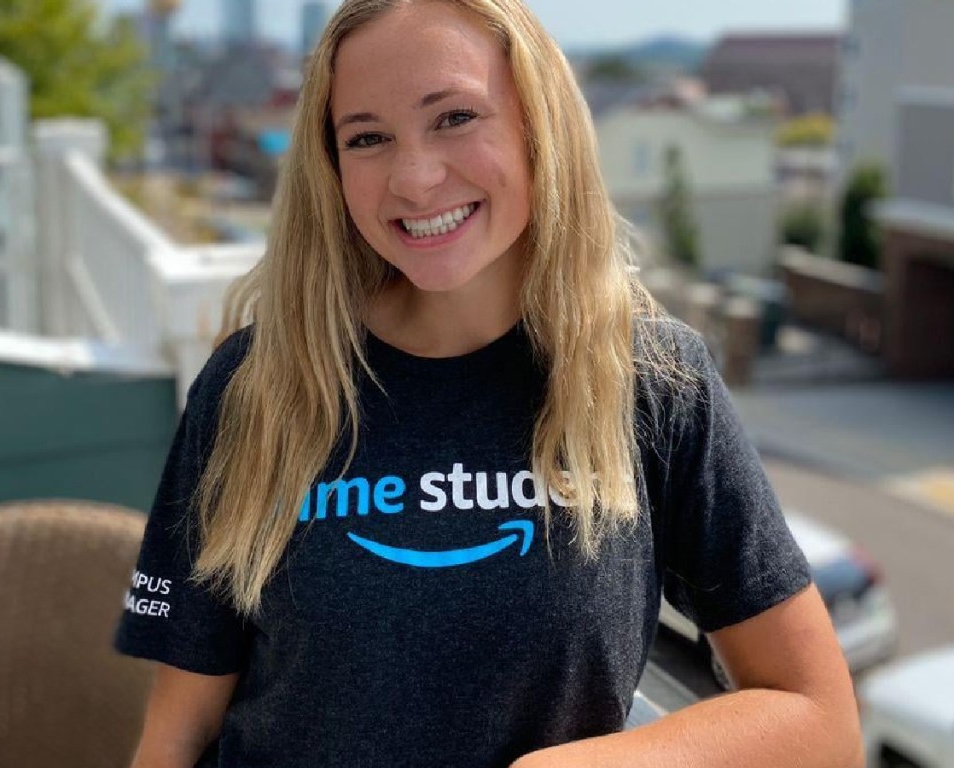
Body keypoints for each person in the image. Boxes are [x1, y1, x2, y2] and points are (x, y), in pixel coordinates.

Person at [115, 1, 862, 766]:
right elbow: (178, 732)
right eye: (367, 138)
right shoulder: (257, 383)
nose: (414, 178)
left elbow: (819, 721)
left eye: (455, 118)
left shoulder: (651, 382)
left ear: (539, 125)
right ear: (331, 170)